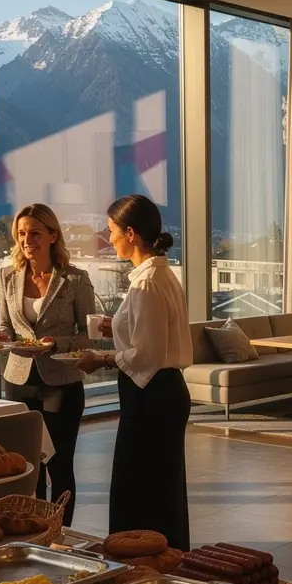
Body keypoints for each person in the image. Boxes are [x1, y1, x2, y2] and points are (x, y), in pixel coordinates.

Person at [74, 195, 193, 549]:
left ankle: (140, 558)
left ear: (129, 233)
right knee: (160, 486)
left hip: (151, 396)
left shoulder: (146, 283)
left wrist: (102, 359)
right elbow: (155, 334)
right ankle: (165, 554)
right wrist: (120, 327)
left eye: (111, 231)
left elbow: (148, 354)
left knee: (137, 485)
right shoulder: (159, 274)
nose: (108, 239)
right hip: (165, 393)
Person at [0, 204, 96, 526]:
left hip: (61, 384)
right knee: (26, 465)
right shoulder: (7, 276)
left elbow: (87, 336)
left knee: (60, 466)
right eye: (22, 234)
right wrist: (1, 335)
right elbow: (7, 325)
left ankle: (60, 534)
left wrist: (58, 344)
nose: (27, 240)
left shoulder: (76, 279)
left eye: (35, 233)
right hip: (18, 381)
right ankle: (32, 532)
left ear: (53, 236)